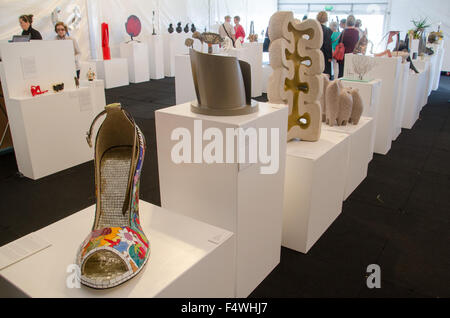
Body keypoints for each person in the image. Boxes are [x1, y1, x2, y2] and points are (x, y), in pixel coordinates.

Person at [316, 11, 333, 78]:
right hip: (324, 55)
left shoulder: (314, 28)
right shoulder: (327, 30)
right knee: (325, 74)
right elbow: (327, 44)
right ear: (326, 19)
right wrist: (329, 56)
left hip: (315, 53)